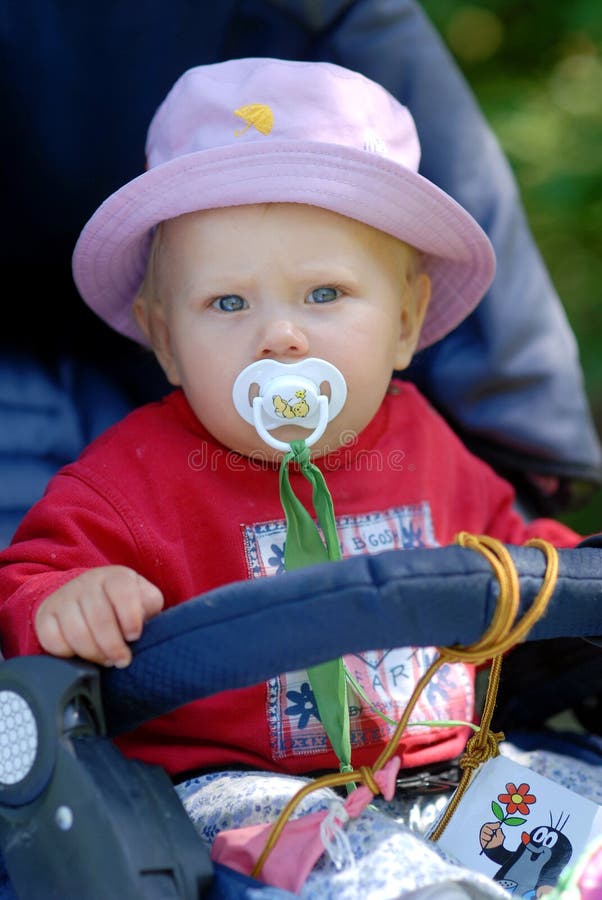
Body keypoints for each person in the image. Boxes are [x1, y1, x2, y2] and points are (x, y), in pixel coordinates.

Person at [0, 58, 598, 898]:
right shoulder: (131, 479)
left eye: (324, 293)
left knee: (581, 808)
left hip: (444, 768)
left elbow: (510, 548)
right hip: (239, 789)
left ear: (404, 322)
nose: (281, 336)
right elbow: (31, 580)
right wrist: (69, 596)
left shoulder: (421, 440)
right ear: (164, 340)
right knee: (366, 874)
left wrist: (568, 568)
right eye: (229, 304)